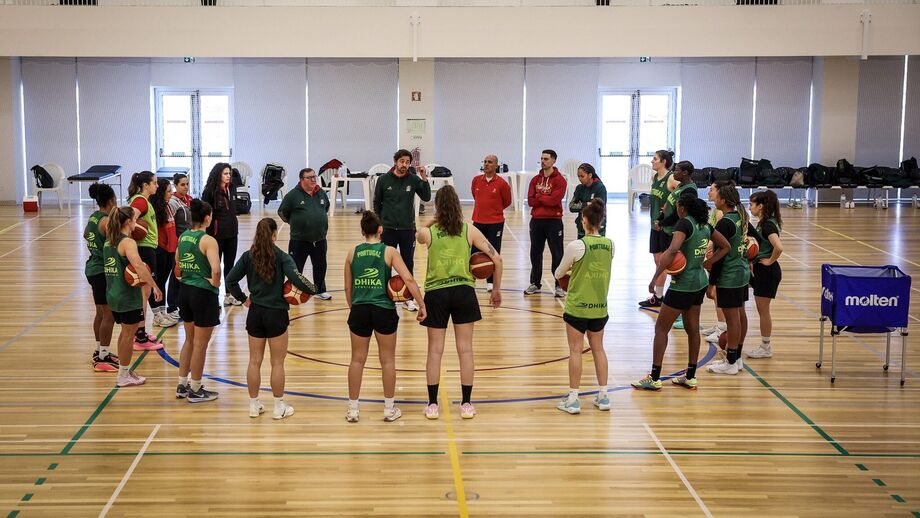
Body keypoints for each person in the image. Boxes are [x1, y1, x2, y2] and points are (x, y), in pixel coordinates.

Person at [417, 185, 502, 420]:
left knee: (435, 351)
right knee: (465, 350)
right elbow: (497, 259)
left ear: (437, 207)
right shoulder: (468, 230)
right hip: (464, 292)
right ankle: (466, 404)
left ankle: (432, 405)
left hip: (436, 294)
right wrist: (496, 289)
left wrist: (433, 219)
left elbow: (418, 234)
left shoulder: (430, 233)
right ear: (458, 205)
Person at [631, 193, 728, 391]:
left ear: (682, 208)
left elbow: (673, 250)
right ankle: (690, 376)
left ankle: (654, 378)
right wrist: (708, 262)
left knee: (661, 329)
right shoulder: (705, 226)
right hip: (699, 283)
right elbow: (726, 246)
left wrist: (655, 276)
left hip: (682, 285)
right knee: (693, 330)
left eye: (677, 206)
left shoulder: (684, 224)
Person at [227, 218, 317, 420]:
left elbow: (230, 280)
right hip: (276, 313)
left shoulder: (248, 256)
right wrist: (313, 289)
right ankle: (278, 407)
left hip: (255, 313)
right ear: (274, 235)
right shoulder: (282, 257)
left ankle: (253, 405)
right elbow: (296, 278)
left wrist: (243, 299)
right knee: (277, 362)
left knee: (254, 361)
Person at [343, 211, 427, 423]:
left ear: (362, 231)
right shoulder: (389, 251)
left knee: (357, 360)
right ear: (380, 230)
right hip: (383, 310)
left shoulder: (352, 252)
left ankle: (353, 410)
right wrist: (421, 303)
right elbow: (408, 279)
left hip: (360, 309)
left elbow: (347, 287)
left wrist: (354, 307)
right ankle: (389, 409)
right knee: (387, 360)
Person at [554, 199, 613, 414]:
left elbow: (558, 273)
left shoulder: (576, 246)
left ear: (584, 220)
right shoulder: (610, 244)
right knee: (599, 349)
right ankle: (604, 396)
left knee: (575, 351)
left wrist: (571, 273)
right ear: (601, 221)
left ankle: (573, 399)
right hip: (599, 306)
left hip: (578, 307)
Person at [103, 206, 162, 387]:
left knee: (124, 334)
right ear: (128, 222)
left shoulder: (108, 242)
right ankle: (123, 376)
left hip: (113, 294)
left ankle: (124, 371)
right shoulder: (128, 243)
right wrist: (154, 286)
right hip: (127, 297)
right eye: (135, 218)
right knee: (128, 336)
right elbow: (137, 266)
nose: (137, 221)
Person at [175, 200, 222, 404]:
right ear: (207, 218)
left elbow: (177, 263)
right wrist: (216, 284)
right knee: (201, 345)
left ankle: (182, 384)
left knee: (189, 340)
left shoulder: (183, 236)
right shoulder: (208, 240)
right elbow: (216, 269)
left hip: (185, 291)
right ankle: (195, 389)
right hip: (203, 293)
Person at [373, 149, 432, 312]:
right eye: (402, 161)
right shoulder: (383, 180)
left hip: (407, 229)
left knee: (408, 263)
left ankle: (408, 298)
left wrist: (424, 178)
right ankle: (384, 296)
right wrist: (378, 224)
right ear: (395, 161)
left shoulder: (413, 179)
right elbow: (377, 203)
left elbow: (426, 197)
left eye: (407, 162)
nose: (404, 165)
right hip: (388, 229)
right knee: (385, 263)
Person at [706, 182, 752, 376]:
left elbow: (719, 255)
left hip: (729, 275)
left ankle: (731, 362)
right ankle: (737, 357)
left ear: (723, 200)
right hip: (741, 271)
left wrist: (711, 283)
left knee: (733, 320)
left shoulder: (725, 223)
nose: (715, 198)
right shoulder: (741, 217)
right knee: (740, 315)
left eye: (717, 196)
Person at [651, 160, 698, 330]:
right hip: (669, 230)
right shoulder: (680, 186)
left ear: (684, 173)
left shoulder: (689, 190)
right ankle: (681, 312)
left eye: (677, 170)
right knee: (674, 271)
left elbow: (680, 214)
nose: (674, 172)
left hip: (678, 231)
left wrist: (663, 222)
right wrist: (661, 219)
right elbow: (669, 207)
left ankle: (684, 314)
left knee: (678, 270)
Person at [278, 167, 333, 301]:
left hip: (319, 239)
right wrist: (295, 223)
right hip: (299, 240)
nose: (313, 180)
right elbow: (282, 212)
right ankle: (294, 291)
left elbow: (326, 207)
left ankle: (320, 290)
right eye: (310, 177)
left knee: (320, 266)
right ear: (302, 180)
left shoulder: (321, 193)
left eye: (314, 177)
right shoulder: (293, 195)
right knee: (296, 268)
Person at [127, 171, 164, 351]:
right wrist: (133, 231)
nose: (157, 186)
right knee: (144, 292)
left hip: (147, 248)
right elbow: (129, 219)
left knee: (144, 292)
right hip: (144, 249)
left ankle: (139, 332)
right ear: (145, 185)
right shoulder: (140, 201)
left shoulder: (142, 200)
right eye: (154, 183)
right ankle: (139, 337)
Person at [84, 183, 119, 372]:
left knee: (100, 313)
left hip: (92, 268)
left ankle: (99, 351)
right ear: (112, 200)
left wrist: (95, 246)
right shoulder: (106, 221)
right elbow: (116, 244)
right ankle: (103, 358)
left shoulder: (93, 217)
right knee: (108, 315)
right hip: (101, 270)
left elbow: (85, 234)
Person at [746, 190, 784, 359]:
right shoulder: (766, 222)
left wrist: (769, 261)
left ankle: (765, 347)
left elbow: (779, 247)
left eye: (751, 204)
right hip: (761, 269)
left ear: (761, 206)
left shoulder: (768, 225)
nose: (750, 208)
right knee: (762, 310)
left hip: (767, 271)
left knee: (763, 311)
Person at [525, 149, 567, 297]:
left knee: (557, 254)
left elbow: (554, 201)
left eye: (546, 159)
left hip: (554, 221)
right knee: (535, 253)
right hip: (536, 220)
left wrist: (539, 196)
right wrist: (545, 197)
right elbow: (530, 201)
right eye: (542, 158)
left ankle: (559, 285)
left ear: (554, 161)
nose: (543, 161)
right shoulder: (535, 180)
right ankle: (535, 283)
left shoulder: (560, 180)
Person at [470, 154, 512, 292]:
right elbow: (475, 196)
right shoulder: (476, 180)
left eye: (490, 162)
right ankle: (471, 279)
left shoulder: (502, 184)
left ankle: (490, 282)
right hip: (478, 221)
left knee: (493, 251)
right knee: (474, 251)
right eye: (485, 162)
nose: (486, 164)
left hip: (495, 223)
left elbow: (507, 202)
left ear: (496, 166)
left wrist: (494, 211)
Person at [202, 162, 241, 307]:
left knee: (230, 265)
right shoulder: (209, 191)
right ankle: (213, 296)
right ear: (218, 174)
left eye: (229, 173)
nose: (228, 176)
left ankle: (229, 295)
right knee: (214, 266)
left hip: (232, 232)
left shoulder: (232, 188)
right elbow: (205, 213)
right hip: (216, 235)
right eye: (225, 173)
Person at [640, 150, 675, 308]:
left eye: (655, 159)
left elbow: (683, 194)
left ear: (664, 162)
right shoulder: (655, 177)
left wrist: (670, 206)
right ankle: (659, 296)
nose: (652, 161)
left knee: (663, 263)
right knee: (657, 261)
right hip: (654, 224)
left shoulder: (671, 178)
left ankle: (662, 295)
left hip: (667, 226)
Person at [149, 179, 179, 328]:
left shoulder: (167, 206)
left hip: (170, 250)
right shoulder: (154, 208)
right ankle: (156, 315)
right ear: (161, 193)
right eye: (168, 191)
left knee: (163, 282)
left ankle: (162, 311)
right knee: (158, 282)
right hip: (160, 250)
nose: (171, 193)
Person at [700, 182, 728, 343]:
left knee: (717, 292)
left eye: (712, 190)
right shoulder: (716, 211)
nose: (709, 192)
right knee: (715, 293)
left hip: (717, 255)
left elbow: (719, 239)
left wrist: (706, 249)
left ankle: (722, 329)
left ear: (720, 193)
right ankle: (720, 324)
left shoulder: (721, 214)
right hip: (712, 252)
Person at [166, 173, 192, 321]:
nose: (186, 187)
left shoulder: (189, 199)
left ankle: (184, 306)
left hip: (189, 243)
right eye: (182, 184)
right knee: (176, 275)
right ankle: (172, 307)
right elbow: (171, 225)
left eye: (187, 184)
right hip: (178, 245)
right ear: (176, 185)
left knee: (186, 275)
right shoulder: (173, 203)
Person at [568, 163, 606, 239]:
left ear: (590, 175)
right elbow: (571, 207)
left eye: (582, 176)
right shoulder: (579, 188)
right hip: (582, 226)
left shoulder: (600, 188)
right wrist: (587, 204)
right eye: (578, 176)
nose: (580, 179)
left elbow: (599, 207)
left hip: (597, 228)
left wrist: (581, 205)